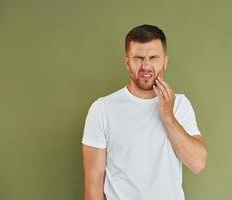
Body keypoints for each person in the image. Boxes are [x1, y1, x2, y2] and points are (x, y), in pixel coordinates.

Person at [81, 24, 207, 200]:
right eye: (138, 58)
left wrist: (168, 117)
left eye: (153, 57)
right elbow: (93, 184)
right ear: (127, 62)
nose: (146, 65)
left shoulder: (180, 105)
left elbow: (198, 163)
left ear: (165, 61)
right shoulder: (102, 109)